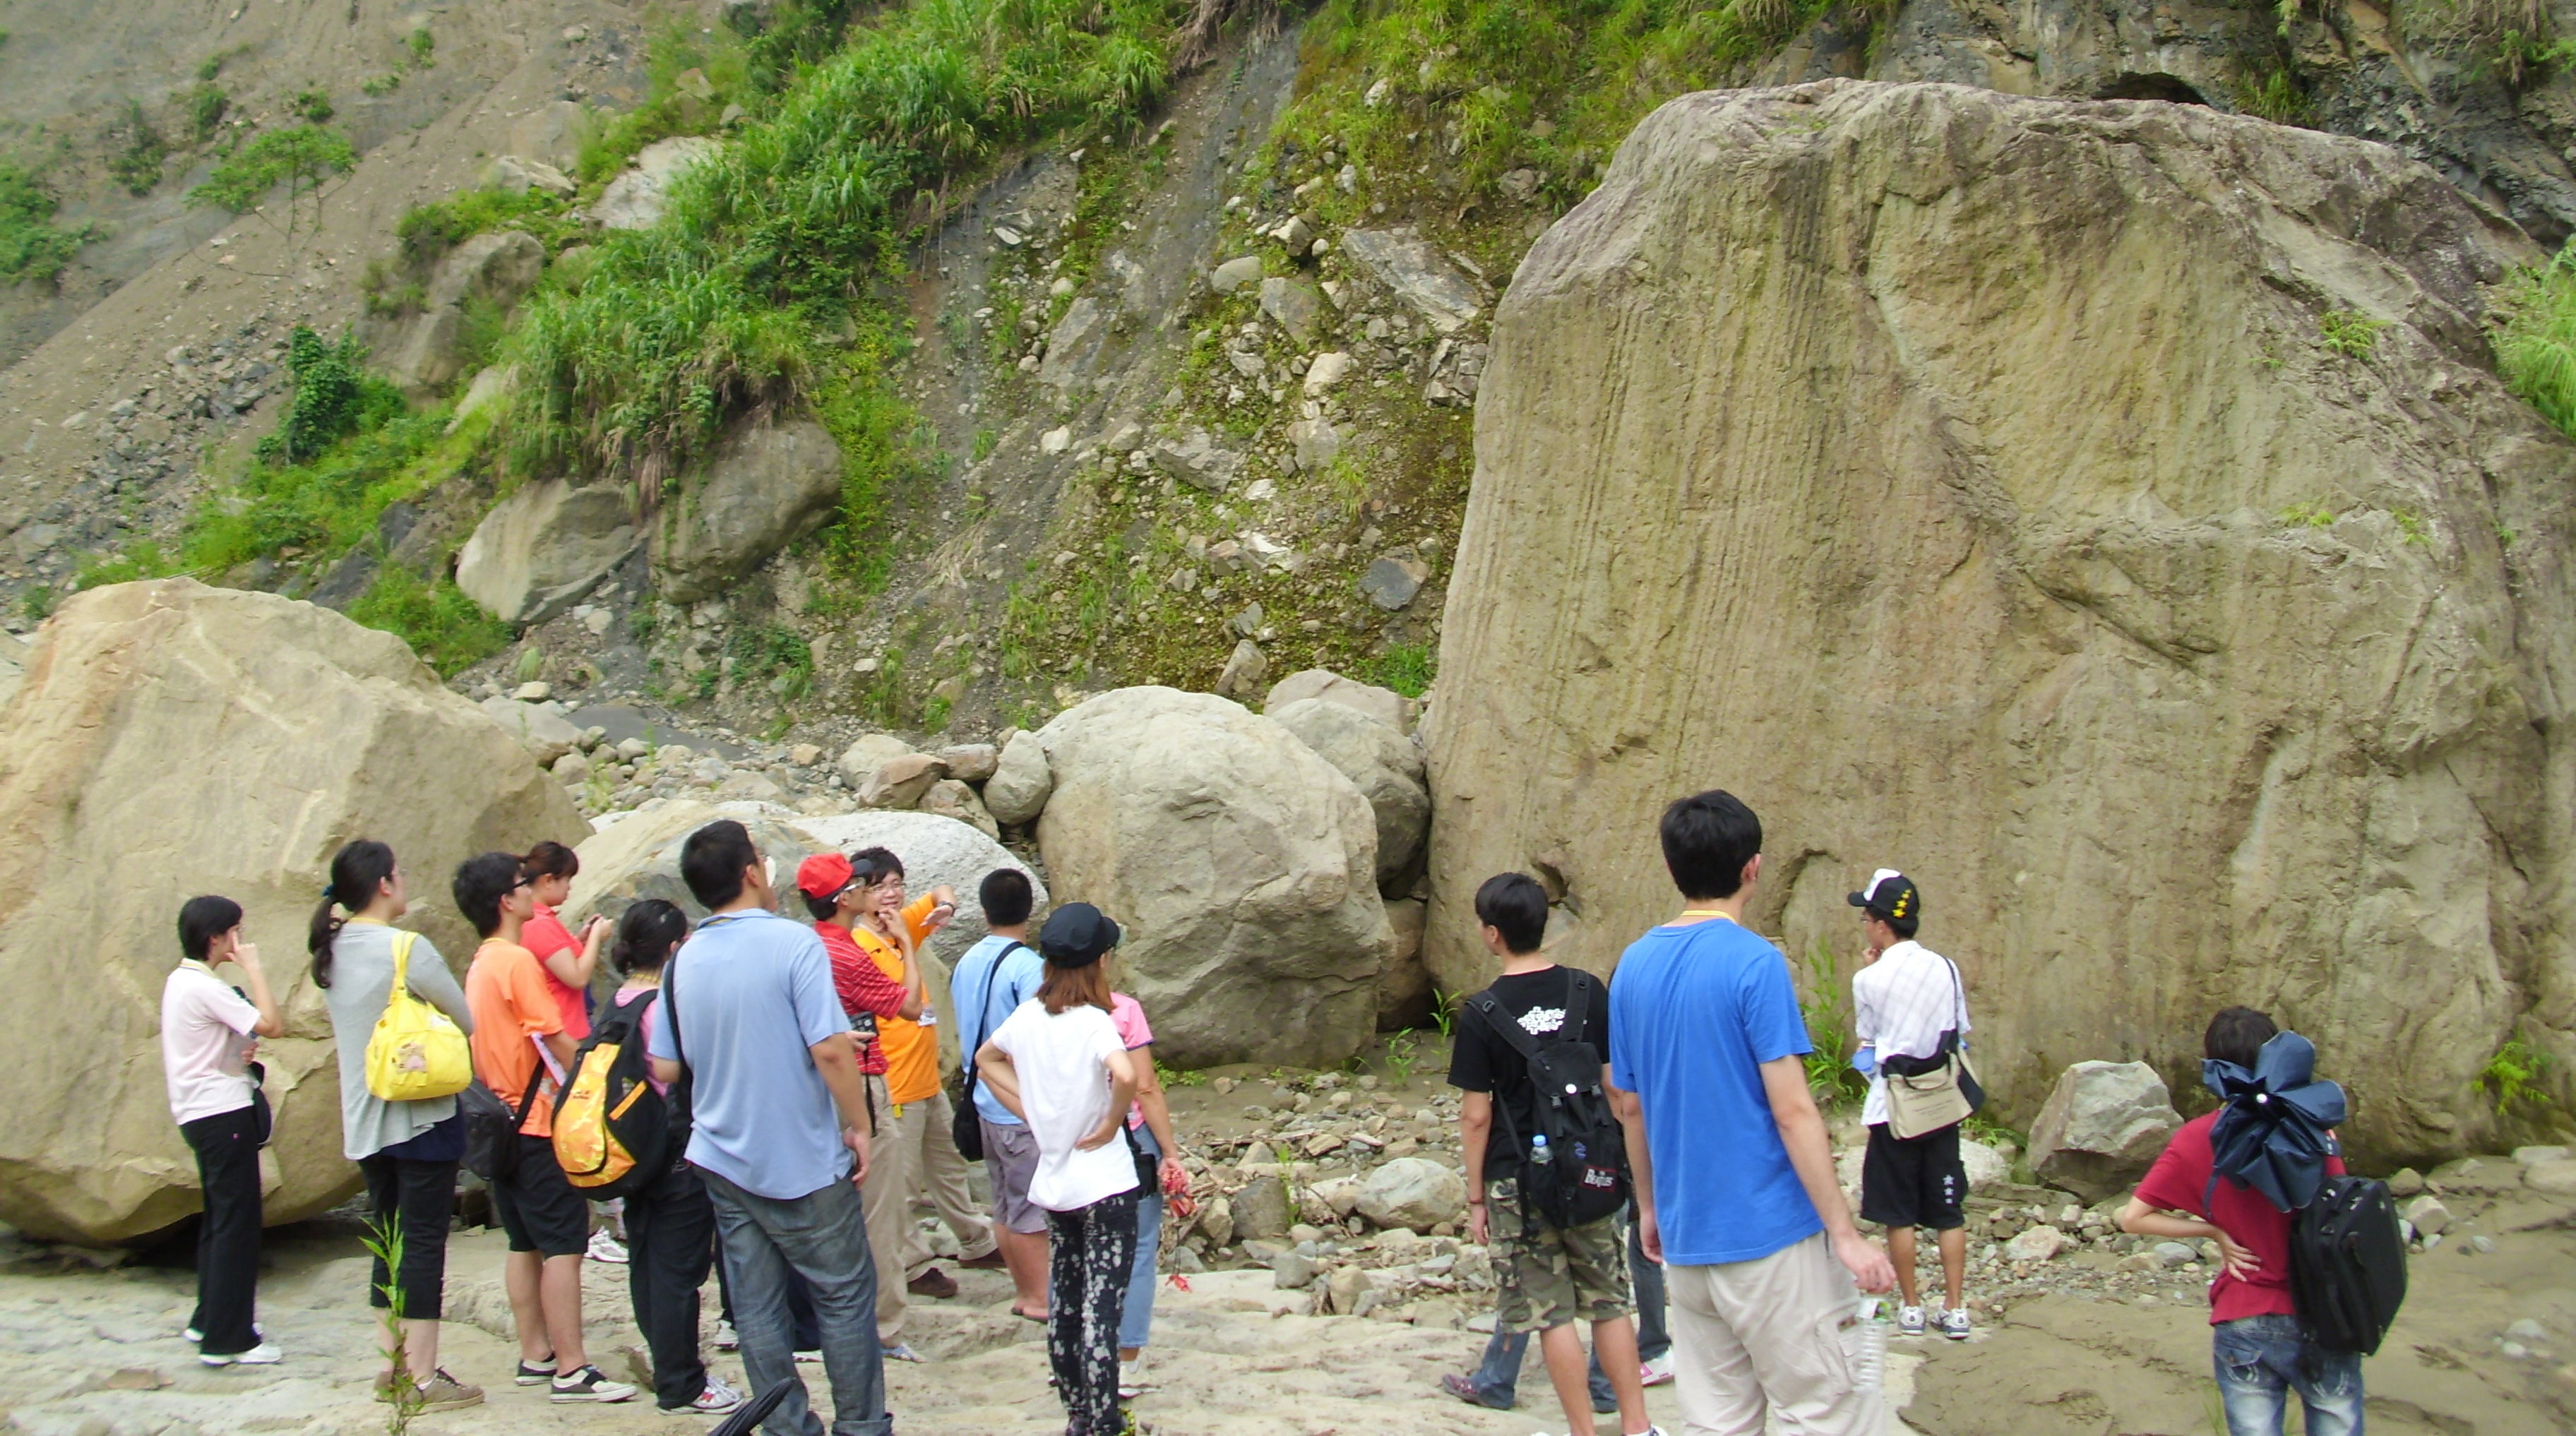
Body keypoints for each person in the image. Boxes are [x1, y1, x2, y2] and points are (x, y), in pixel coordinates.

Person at [1606, 791, 1895, 1435]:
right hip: (1769, 1238)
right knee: (1822, 1410)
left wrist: (1650, 1210)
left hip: (1687, 1243)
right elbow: (1793, 1112)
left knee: (1718, 1422)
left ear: (1672, 867)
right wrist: (1844, 1235)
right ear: (1753, 868)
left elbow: (1631, 1108)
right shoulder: (1754, 962)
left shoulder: (1632, 967)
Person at [646, 820, 891, 1436]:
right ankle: (860, 1425)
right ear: (751, 873)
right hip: (801, 1157)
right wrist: (858, 1124)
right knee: (842, 1294)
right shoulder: (795, 944)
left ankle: (786, 1426)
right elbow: (832, 1051)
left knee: (757, 1306)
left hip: (723, 1156)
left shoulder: (684, 960)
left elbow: (670, 1065)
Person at [1446, 873, 1655, 1436]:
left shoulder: (1482, 1012)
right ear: (1545, 927)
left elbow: (1475, 1115)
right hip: (1590, 1166)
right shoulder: (1587, 992)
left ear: (1492, 935)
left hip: (1519, 1177)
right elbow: (1616, 1091)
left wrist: (1475, 1199)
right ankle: (1638, 1426)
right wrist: (1628, 1169)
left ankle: (1583, 1432)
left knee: (1550, 1313)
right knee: (1609, 1301)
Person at [2120, 1008, 2359, 1436]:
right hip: (2321, 1313)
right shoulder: (2315, 1132)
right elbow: (2337, 1218)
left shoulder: (2197, 1137)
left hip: (2244, 1315)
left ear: (2214, 1066)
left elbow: (2133, 1219)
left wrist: (2213, 1230)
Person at [311, 839, 484, 1412]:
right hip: (419, 1117)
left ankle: (391, 1365)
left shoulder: (331, 951)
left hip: (365, 1121)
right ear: (385, 884)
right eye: (400, 874)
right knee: (425, 1245)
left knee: (387, 1240)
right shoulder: (408, 949)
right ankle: (424, 1376)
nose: (404, 881)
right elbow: (465, 1019)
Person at [457, 851, 635, 1404]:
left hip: (502, 1122)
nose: (532, 889)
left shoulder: (482, 962)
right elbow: (555, 1037)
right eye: (522, 884)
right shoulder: (514, 962)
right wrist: (600, 1080)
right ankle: (573, 1367)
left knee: (523, 1241)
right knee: (564, 1244)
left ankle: (536, 1354)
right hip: (535, 1123)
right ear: (507, 901)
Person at [974, 902, 1140, 1436]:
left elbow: (984, 1059)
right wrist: (1113, 1121)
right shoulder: (1095, 1023)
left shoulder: (1028, 1017)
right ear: (1101, 961)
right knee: (1102, 1310)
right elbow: (1127, 1076)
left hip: (1056, 1184)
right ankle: (1104, 1420)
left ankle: (1076, 1415)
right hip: (1106, 1183)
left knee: (1065, 1304)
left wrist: (1034, 1109)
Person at [845, 846, 1000, 1351]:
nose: (891, 893)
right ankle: (911, 1263)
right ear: (858, 894)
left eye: (896, 883)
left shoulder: (899, 929)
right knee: (902, 1184)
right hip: (892, 1084)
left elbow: (941, 892)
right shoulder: (858, 945)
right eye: (879, 886)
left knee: (948, 1164)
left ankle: (977, 1240)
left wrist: (946, 908)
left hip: (927, 1078)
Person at [605, 899, 743, 1416]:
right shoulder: (666, 1003)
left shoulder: (617, 1000)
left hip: (632, 1155)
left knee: (646, 1264)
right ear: (672, 948)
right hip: (675, 1153)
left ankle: (670, 1365)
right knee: (680, 1273)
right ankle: (681, 1381)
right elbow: (684, 1069)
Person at [1847, 868, 1975, 1339]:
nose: (1864, 923)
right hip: (1941, 1103)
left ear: (1881, 925)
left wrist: (1872, 967)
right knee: (1948, 1209)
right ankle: (1956, 1307)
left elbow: (1867, 1046)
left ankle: (1912, 1307)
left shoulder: (1868, 980)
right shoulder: (1946, 967)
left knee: (1897, 1213)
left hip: (1893, 1110)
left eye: (1866, 916)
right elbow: (1960, 1031)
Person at [162, 894, 285, 1368]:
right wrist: (253, 969)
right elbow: (272, 1024)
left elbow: (213, 1049)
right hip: (222, 1115)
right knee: (237, 1226)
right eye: (235, 931)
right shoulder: (206, 987)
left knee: (218, 1220)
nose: (240, 940)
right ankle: (229, 1339)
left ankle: (207, 1319)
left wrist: (242, 1051)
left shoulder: (181, 982)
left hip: (199, 1114)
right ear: (215, 937)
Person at [948, 868, 1051, 1320]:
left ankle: (1024, 1289)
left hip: (982, 1101)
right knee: (1030, 1207)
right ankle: (1038, 1297)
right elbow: (1037, 1033)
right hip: (1016, 1103)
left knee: (1005, 1205)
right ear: (1031, 911)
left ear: (985, 910)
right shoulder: (1027, 966)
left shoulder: (969, 959)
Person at [520, 840, 626, 1265]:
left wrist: (579, 939)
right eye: (565, 882)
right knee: (588, 1128)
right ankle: (606, 1224)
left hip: (563, 1035)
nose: (567, 890)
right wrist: (597, 939)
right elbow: (578, 976)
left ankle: (605, 1221)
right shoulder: (540, 924)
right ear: (548, 880)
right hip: (564, 1039)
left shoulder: (542, 923)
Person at [1107, 982, 1186, 1401]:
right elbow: (1146, 1086)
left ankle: (1074, 1355)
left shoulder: (1038, 1009)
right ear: (1102, 959)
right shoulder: (1121, 1010)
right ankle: (1127, 1363)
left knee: (1073, 1250)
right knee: (1137, 1250)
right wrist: (1170, 1154)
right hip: (1130, 1139)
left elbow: (993, 1060)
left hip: (1069, 1145)